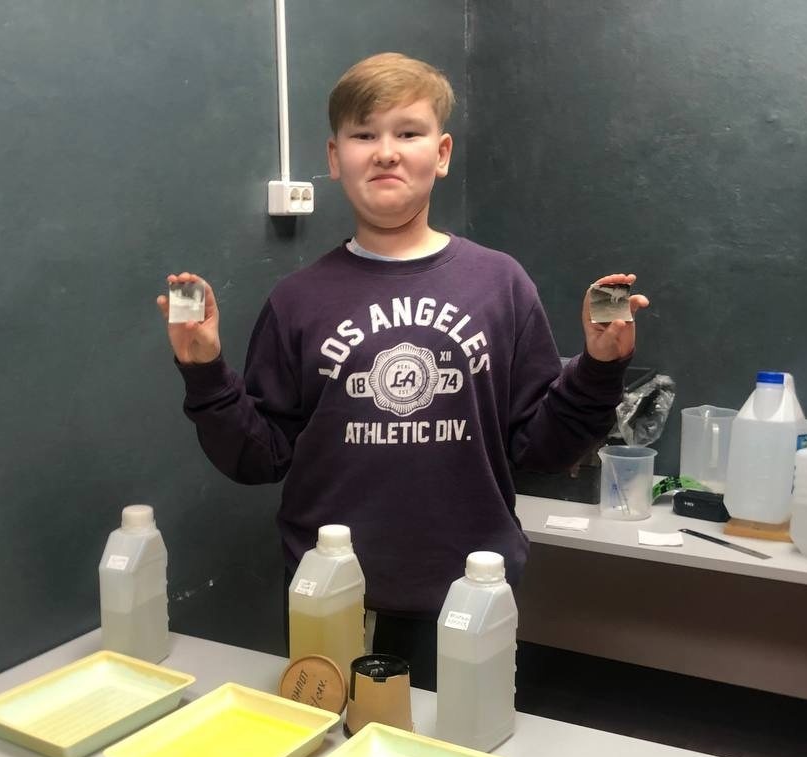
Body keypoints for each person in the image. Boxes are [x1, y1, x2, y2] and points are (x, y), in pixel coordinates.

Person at [157, 52, 648, 688]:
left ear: (440, 154)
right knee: (331, 744)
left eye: (408, 133)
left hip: (469, 592)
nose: (386, 153)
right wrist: (204, 371)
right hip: (330, 594)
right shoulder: (297, 300)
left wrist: (600, 369)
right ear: (335, 158)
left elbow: (541, 449)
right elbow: (259, 458)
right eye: (364, 135)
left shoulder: (500, 284)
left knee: (459, 743)